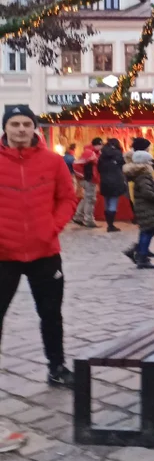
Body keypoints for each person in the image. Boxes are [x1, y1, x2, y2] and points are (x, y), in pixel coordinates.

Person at [0, 104, 77, 388]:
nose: (21, 129)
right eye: (15, 124)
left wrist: (52, 227)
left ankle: (57, 367)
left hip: (44, 252)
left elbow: (67, 198)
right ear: (5, 128)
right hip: (3, 254)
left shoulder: (53, 162)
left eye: (26, 124)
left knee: (51, 314)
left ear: (34, 127)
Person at [123, 150, 154, 269]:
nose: (151, 164)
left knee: (149, 230)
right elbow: (147, 192)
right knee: (149, 230)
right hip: (146, 207)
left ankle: (138, 251)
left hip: (143, 206)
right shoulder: (143, 176)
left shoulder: (139, 174)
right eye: (149, 161)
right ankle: (142, 257)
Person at [72, 137, 102, 228]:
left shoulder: (91, 152)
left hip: (88, 179)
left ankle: (78, 216)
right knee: (90, 199)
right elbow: (76, 164)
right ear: (98, 144)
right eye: (101, 145)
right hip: (89, 179)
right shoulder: (90, 153)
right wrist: (82, 176)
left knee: (86, 198)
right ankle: (88, 220)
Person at [98, 138, 126, 233]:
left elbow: (99, 168)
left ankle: (109, 224)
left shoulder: (102, 155)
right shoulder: (118, 153)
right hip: (116, 180)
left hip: (104, 180)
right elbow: (122, 166)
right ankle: (111, 225)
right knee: (113, 202)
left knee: (107, 202)